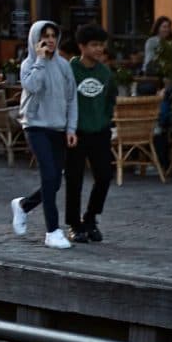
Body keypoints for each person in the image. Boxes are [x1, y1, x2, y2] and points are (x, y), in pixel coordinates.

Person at [14, 20, 77, 249]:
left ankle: (23, 206)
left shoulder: (64, 66)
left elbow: (72, 99)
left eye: (53, 35)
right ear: (35, 39)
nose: (50, 40)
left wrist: (71, 128)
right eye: (45, 36)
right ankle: (52, 230)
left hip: (59, 128)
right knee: (49, 175)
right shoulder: (28, 64)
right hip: (35, 126)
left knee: (55, 182)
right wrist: (40, 60)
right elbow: (33, 86)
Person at [65, 22, 119, 243]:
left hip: (99, 132)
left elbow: (110, 100)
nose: (99, 49)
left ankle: (90, 218)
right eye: (94, 45)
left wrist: (105, 121)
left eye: (101, 45)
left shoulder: (105, 72)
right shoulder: (69, 70)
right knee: (74, 179)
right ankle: (74, 225)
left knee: (105, 176)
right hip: (75, 133)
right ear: (82, 46)